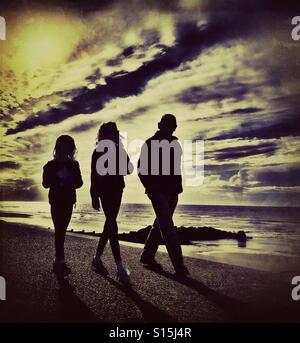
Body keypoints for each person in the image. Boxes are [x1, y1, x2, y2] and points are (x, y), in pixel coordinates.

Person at [138, 114, 189, 276]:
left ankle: (147, 255)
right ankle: (179, 266)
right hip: (158, 193)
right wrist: (151, 188)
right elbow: (141, 169)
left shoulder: (175, 144)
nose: (172, 129)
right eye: (169, 126)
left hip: (173, 192)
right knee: (167, 228)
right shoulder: (150, 144)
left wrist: (177, 188)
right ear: (160, 126)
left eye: (174, 126)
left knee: (160, 224)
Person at [90, 122, 133, 284]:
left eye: (114, 132)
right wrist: (94, 196)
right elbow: (94, 176)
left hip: (117, 190)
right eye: (110, 132)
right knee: (111, 223)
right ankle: (120, 266)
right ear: (103, 135)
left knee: (110, 223)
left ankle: (97, 258)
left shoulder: (119, 150)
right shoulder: (98, 152)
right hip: (104, 191)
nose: (113, 135)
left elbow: (128, 169)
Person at [43, 135, 83, 276]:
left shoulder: (74, 165)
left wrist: (69, 177)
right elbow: (45, 183)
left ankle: (59, 260)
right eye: (64, 146)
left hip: (68, 201)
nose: (67, 149)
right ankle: (60, 261)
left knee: (62, 230)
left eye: (69, 146)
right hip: (56, 200)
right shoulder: (50, 165)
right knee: (59, 230)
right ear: (59, 148)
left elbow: (79, 183)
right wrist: (58, 176)